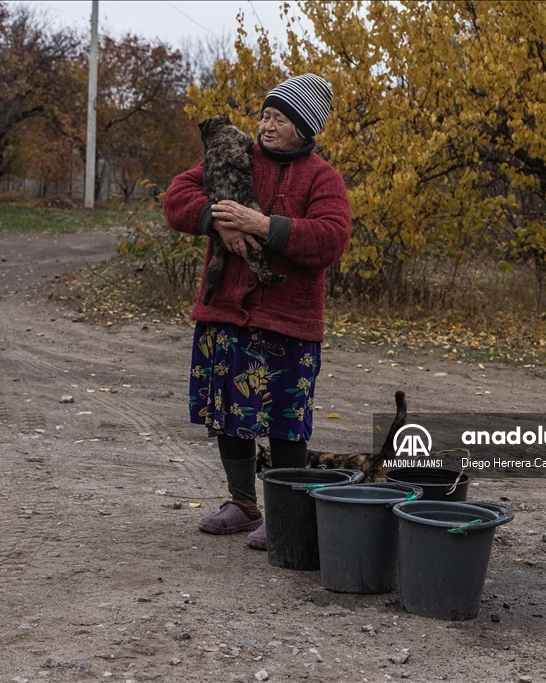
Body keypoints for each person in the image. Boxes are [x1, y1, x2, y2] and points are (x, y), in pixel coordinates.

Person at [162, 74, 351, 550]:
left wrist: (264, 226)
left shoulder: (322, 177)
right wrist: (216, 222)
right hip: (225, 311)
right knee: (229, 412)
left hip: (289, 321)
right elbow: (176, 198)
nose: (267, 126)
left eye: (280, 119)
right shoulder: (232, 156)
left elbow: (331, 238)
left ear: (305, 129)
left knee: (287, 417)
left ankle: (285, 512)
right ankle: (243, 505)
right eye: (265, 115)